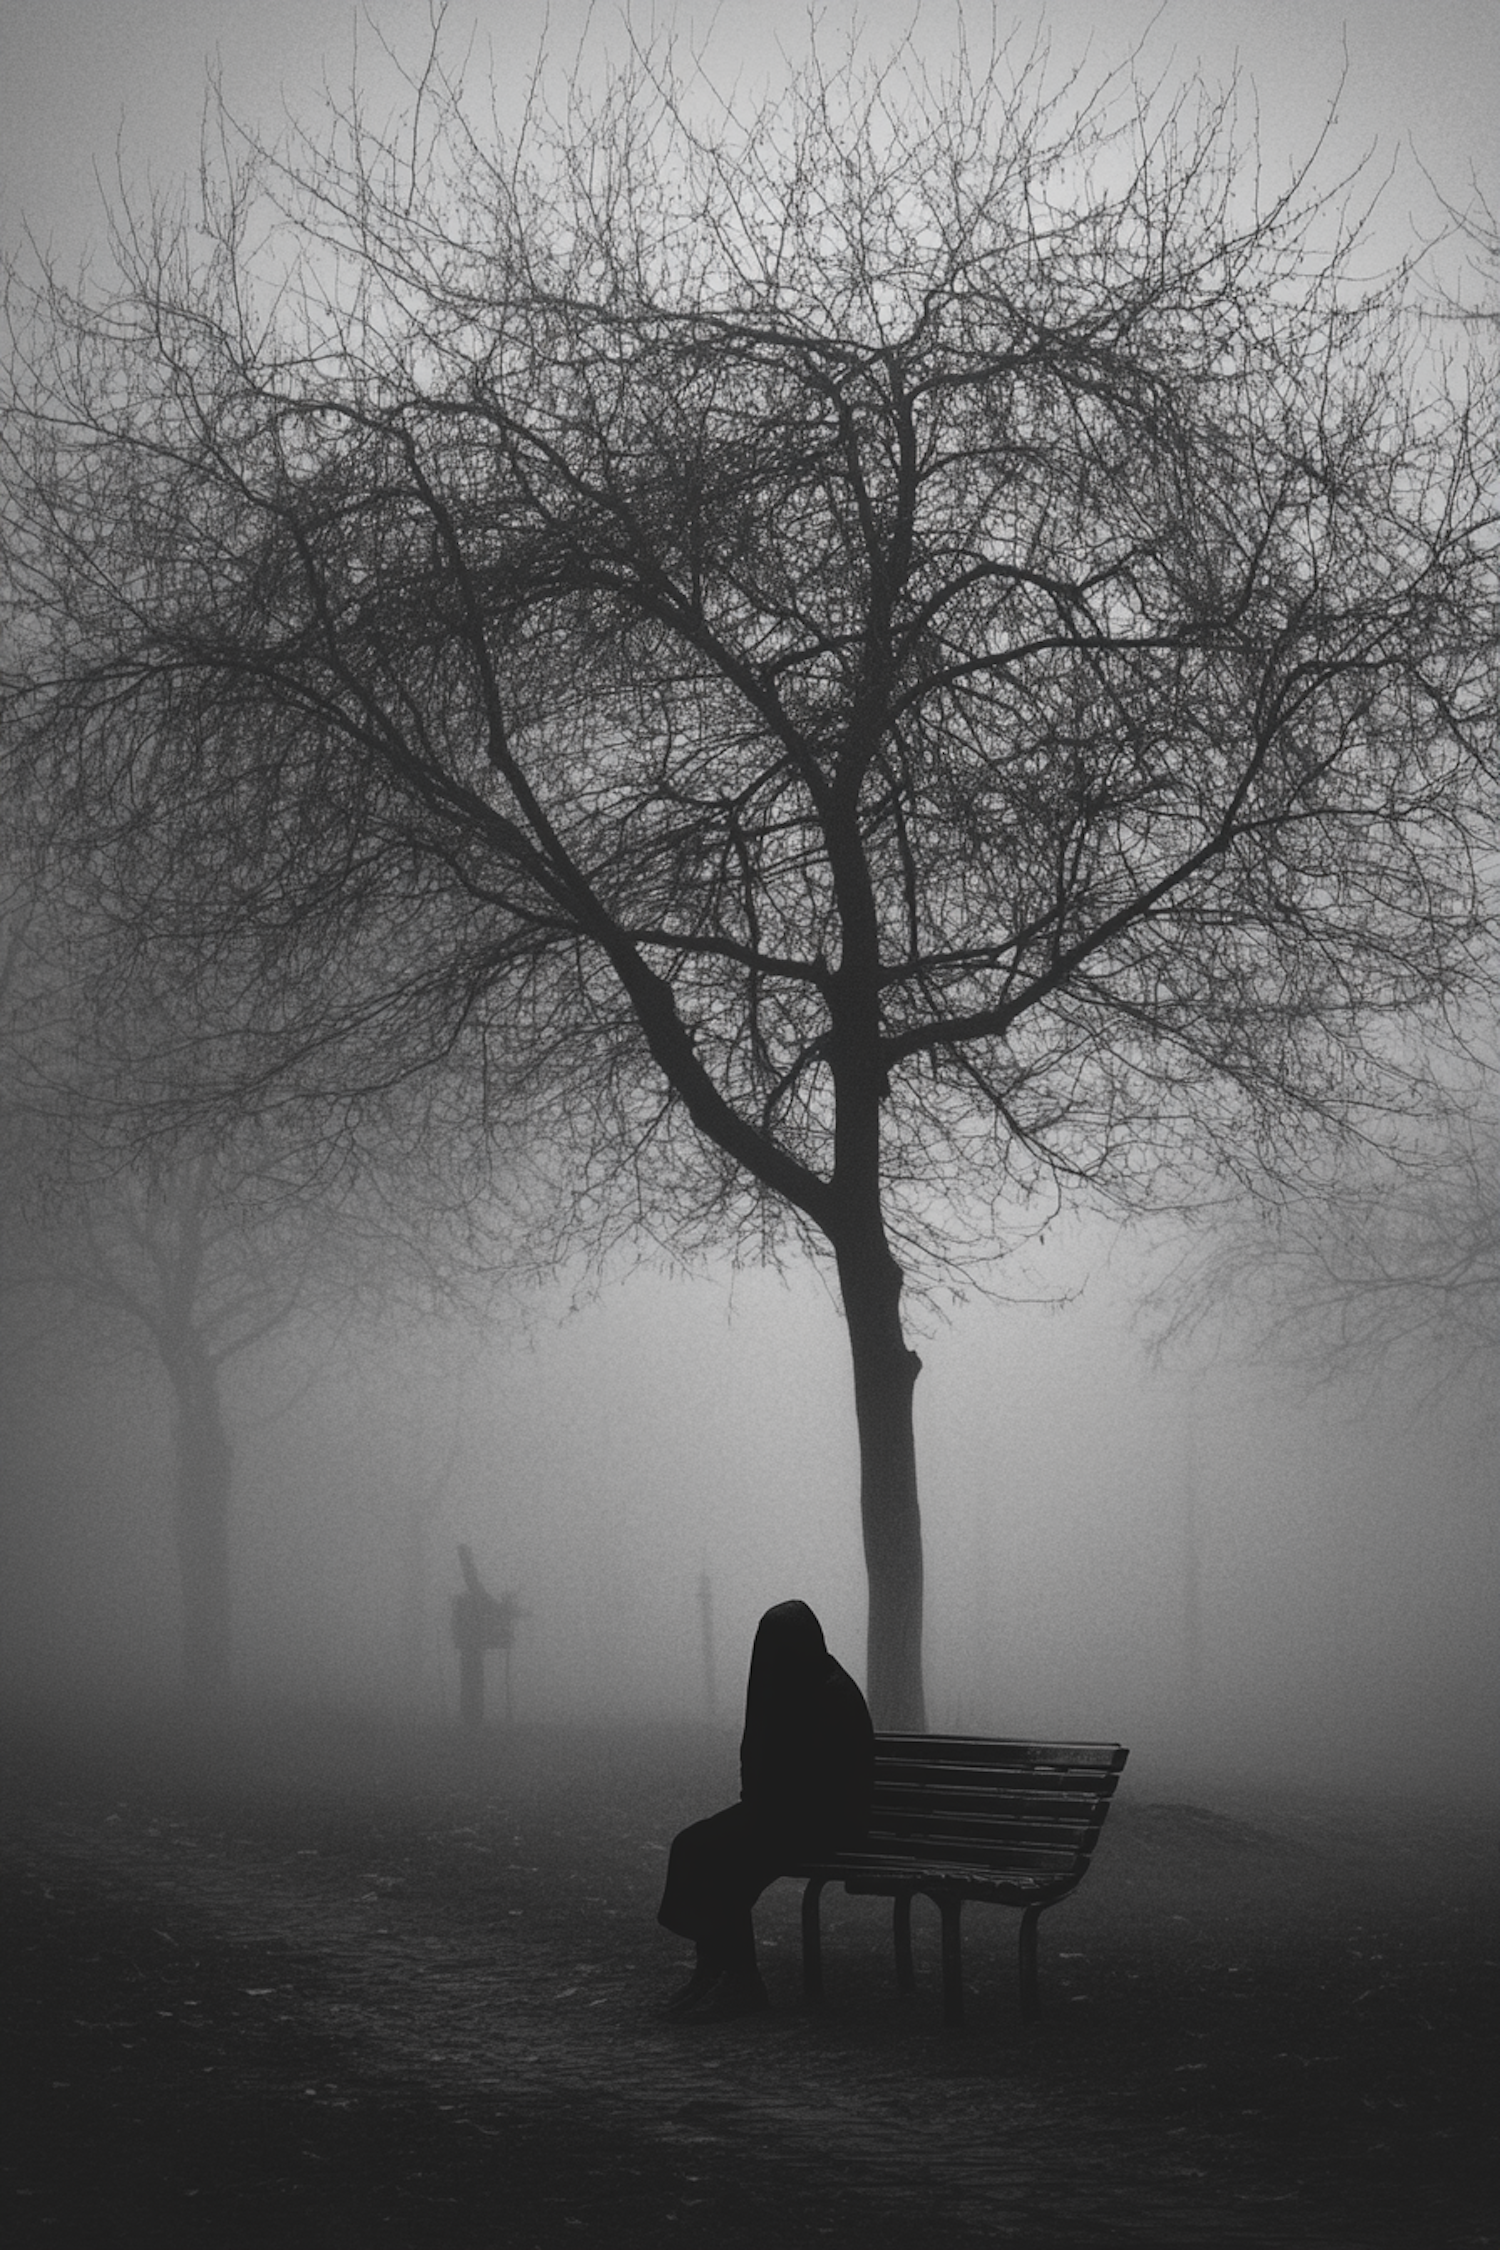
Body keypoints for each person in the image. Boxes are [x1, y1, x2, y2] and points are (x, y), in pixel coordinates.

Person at [657, 1599, 875, 2021]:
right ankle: (719, 1968)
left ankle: (738, 1979)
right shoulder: (798, 1684)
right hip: (786, 1815)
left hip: (828, 1824)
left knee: (725, 1859)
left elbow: (826, 1783)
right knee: (694, 1845)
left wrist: (767, 1805)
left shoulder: (832, 1693)